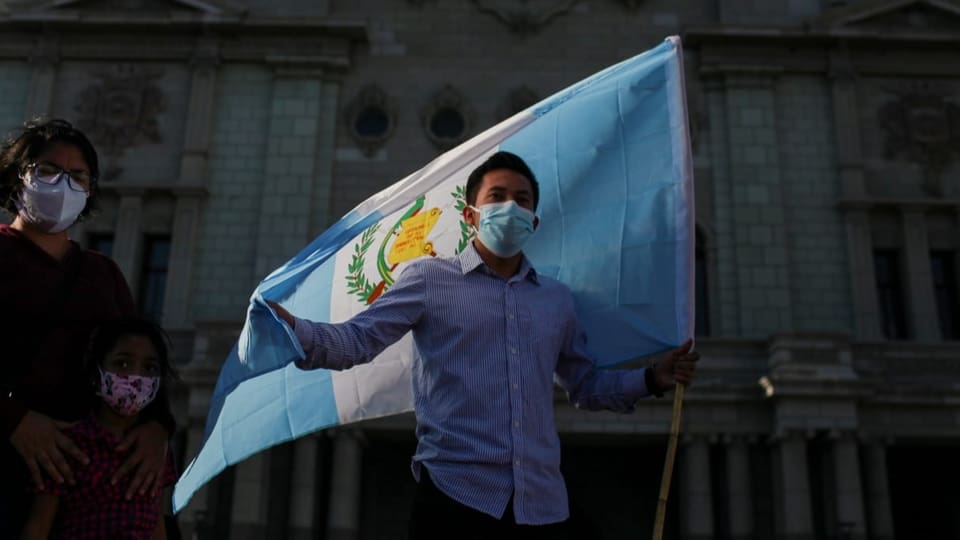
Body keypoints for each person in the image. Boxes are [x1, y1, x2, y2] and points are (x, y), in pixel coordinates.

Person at [269, 151, 699, 539]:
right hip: (457, 499)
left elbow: (584, 386)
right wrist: (297, 331)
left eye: (523, 199)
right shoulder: (428, 280)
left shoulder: (556, 300)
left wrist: (651, 378)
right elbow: (357, 341)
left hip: (543, 501)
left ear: (534, 221)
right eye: (497, 196)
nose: (510, 207)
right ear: (471, 215)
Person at [0, 119, 175, 537]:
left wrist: (157, 428)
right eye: (47, 171)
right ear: (16, 177)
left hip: (79, 486)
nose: (63, 185)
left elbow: (138, 360)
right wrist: (15, 420)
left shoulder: (102, 275)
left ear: (91, 189)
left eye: (77, 176)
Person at [20, 318, 178, 540]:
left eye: (149, 367)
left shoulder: (154, 450)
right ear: (97, 374)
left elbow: (156, 526)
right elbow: (37, 529)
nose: (136, 377)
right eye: (123, 363)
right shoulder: (70, 445)